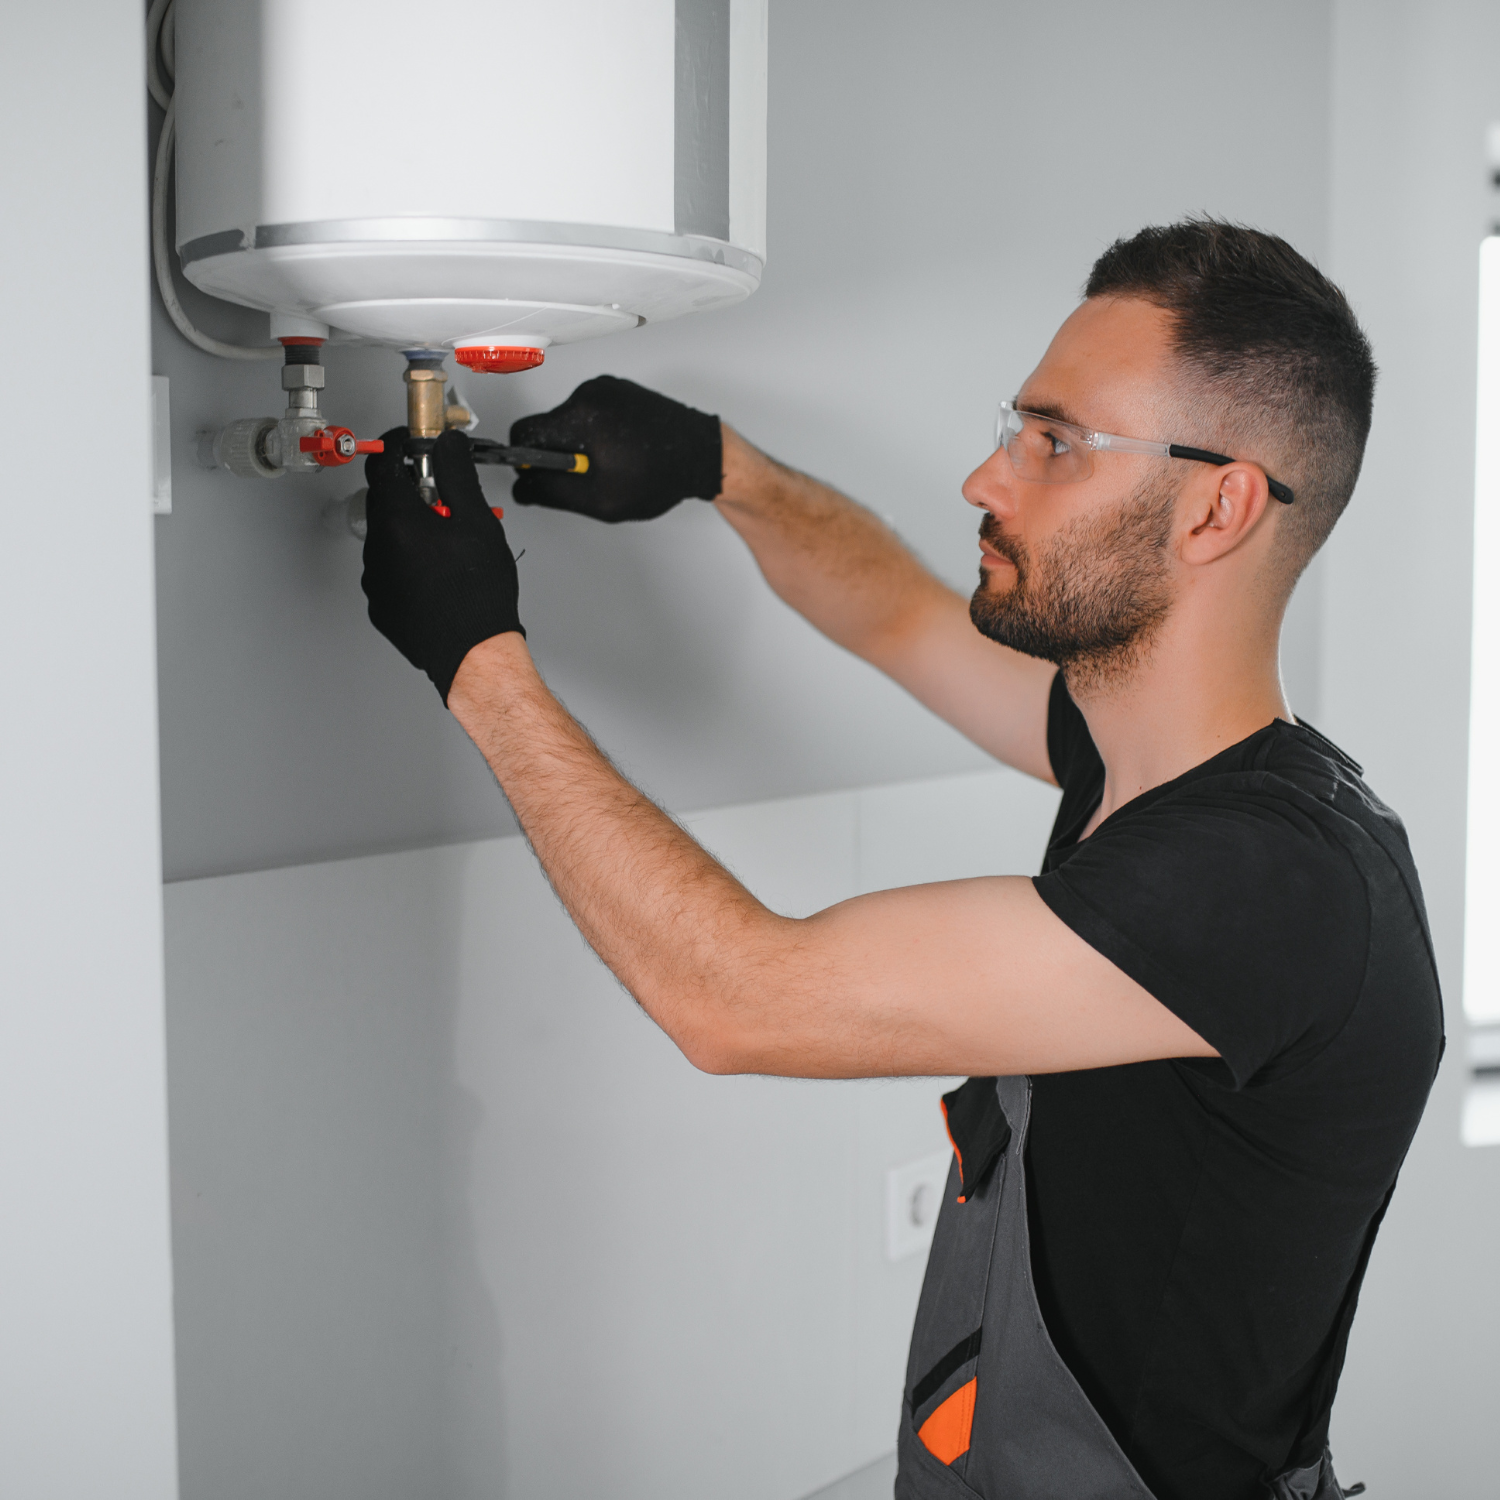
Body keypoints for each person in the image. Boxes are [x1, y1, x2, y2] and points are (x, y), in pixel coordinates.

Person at [358, 219, 1443, 1500]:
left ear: (1217, 506)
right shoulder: (1140, 759)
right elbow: (896, 612)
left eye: (1056, 442)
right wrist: (718, 467)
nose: (986, 479)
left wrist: (475, 656)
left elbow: (738, 999)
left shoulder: (1268, 889)